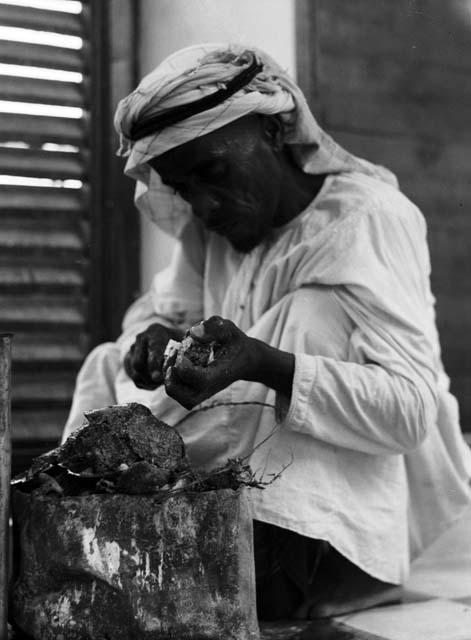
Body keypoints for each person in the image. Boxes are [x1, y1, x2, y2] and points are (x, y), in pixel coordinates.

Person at [63, 43, 471, 619]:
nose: (203, 204)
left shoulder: (368, 220)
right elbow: (157, 311)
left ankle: (302, 555)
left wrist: (262, 362)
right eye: (183, 188)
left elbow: (409, 414)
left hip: (341, 519)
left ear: (277, 130)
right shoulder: (210, 230)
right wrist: (151, 339)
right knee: (106, 360)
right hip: (232, 471)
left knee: (307, 317)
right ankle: (106, 525)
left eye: (214, 173)